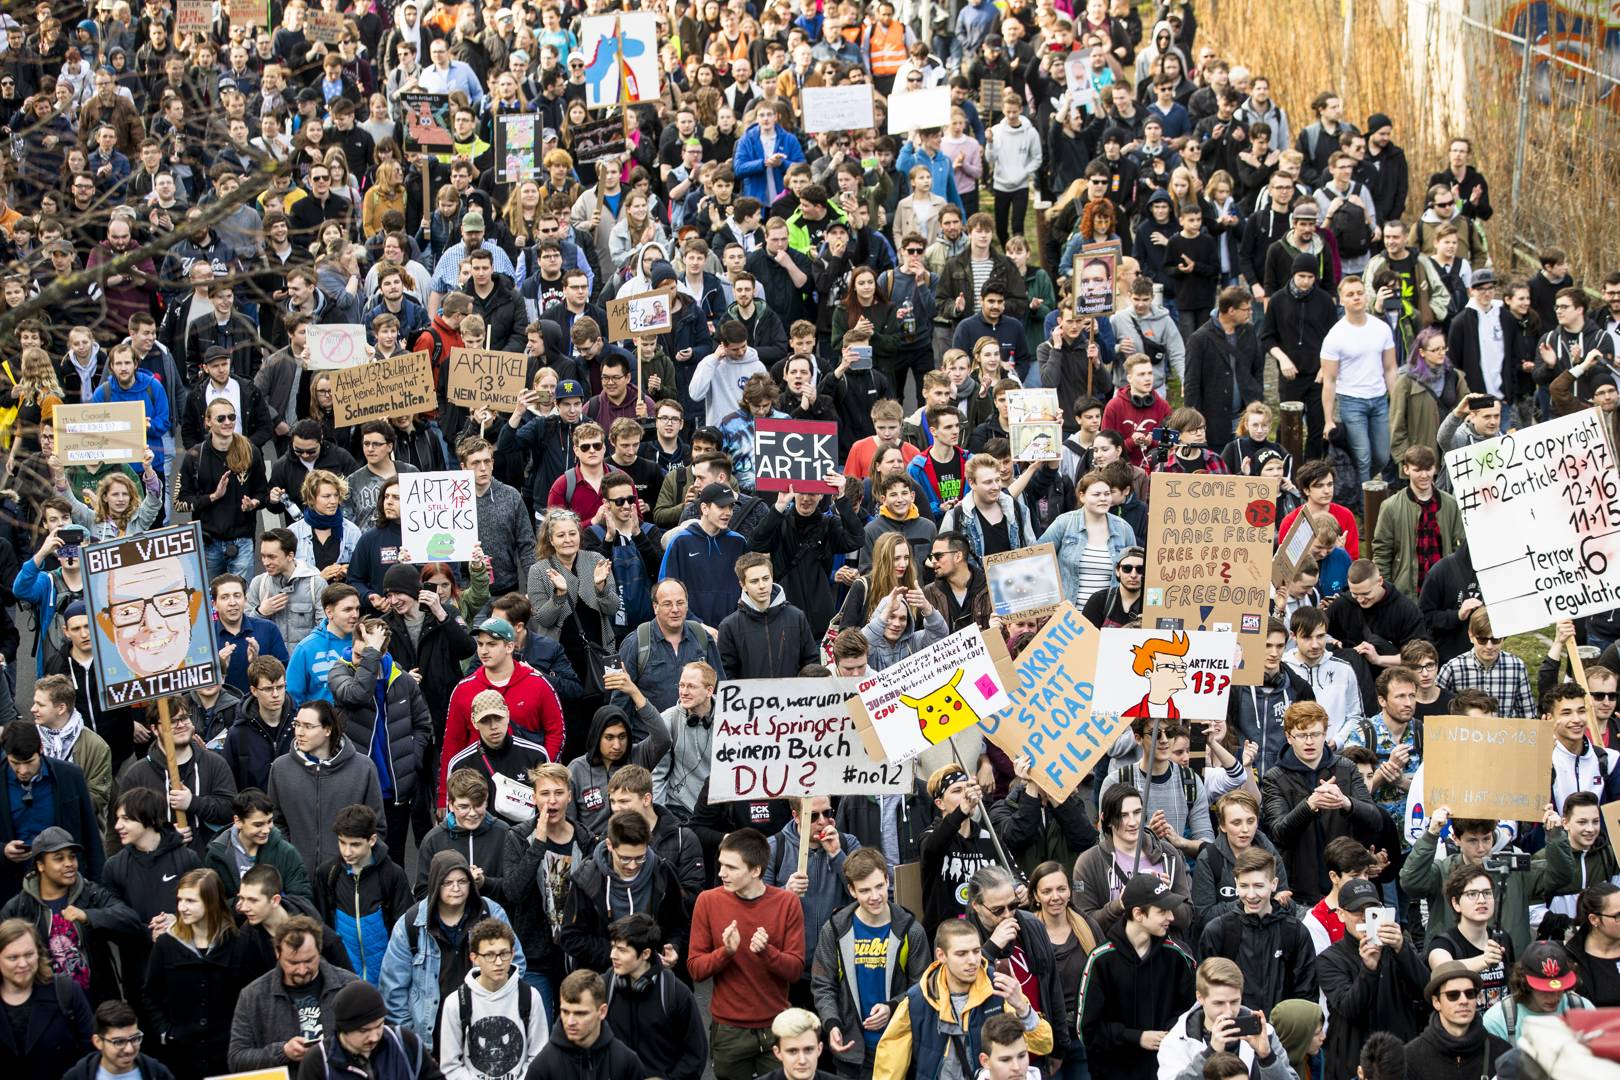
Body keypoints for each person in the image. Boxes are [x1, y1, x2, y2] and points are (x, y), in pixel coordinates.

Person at [871, 918, 1053, 1080]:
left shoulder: (998, 989)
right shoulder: (917, 1000)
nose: (972, 960)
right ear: (941, 955)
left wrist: (1022, 1007)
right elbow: (888, 1068)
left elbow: (1044, 1045)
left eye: (976, 951)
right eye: (962, 953)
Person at [689, 828, 805, 1080]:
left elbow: (795, 970)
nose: (721, 873)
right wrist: (726, 952)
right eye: (721, 865)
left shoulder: (787, 903)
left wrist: (766, 952)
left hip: (776, 1026)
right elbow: (696, 969)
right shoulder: (707, 901)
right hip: (729, 1031)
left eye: (731, 867)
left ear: (755, 870)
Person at [380, 850, 524, 1053]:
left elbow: (517, 964)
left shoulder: (491, 913)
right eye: (447, 883)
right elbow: (393, 991)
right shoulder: (410, 925)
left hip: (483, 1030)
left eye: (462, 881)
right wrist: (412, 1043)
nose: (456, 888)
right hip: (431, 1037)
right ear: (434, 884)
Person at [811, 849, 929, 1078]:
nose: (874, 896)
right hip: (851, 1050)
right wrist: (831, 1023)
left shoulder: (911, 930)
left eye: (878, 886)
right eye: (864, 890)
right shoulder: (835, 929)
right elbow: (823, 984)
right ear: (852, 890)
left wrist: (891, 1007)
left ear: (887, 880)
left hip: (898, 1047)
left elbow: (923, 987)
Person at [1072, 873, 1196, 1080]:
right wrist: (1136, 1038)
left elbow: (1190, 1013)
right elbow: (1088, 1030)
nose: (1171, 917)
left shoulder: (1177, 956)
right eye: (1162, 911)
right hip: (1114, 1073)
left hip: (1166, 1071)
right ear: (1138, 914)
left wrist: (1169, 1035)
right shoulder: (1101, 960)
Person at [328, 618, 433, 858]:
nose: (360, 660)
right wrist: (370, 653)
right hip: (358, 789)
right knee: (357, 860)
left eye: (368, 653)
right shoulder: (339, 671)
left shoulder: (402, 679)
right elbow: (356, 695)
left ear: (384, 650)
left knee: (393, 861)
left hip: (395, 790)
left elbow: (422, 724)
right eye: (358, 654)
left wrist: (411, 759)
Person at [1259, 702, 1381, 907]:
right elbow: (1279, 832)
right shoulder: (1275, 777)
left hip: (1346, 885)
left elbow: (1375, 820)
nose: (1310, 742)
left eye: (1316, 734)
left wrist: (1346, 802)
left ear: (1325, 734)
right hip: (1300, 891)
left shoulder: (1346, 768)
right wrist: (1309, 805)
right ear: (1289, 737)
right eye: (1302, 735)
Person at [1315, 877, 1428, 1080]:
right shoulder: (1329, 959)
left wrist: (1402, 950)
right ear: (1341, 914)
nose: (1366, 919)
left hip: (1399, 1056)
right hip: (1353, 1060)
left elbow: (1425, 990)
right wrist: (1368, 968)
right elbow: (1350, 1008)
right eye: (1359, 912)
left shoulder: (1398, 946)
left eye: (1372, 911)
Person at [141, 869, 243, 1079]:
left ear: (211, 901)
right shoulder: (166, 944)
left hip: (226, 1053)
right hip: (181, 1055)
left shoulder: (237, 943)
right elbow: (150, 994)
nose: (182, 907)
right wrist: (165, 1032)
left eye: (191, 901)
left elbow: (250, 994)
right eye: (180, 900)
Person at [227, 916, 360, 1072]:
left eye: (309, 960)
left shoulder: (350, 986)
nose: (302, 970)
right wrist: (283, 1052)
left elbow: (377, 1040)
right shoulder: (253, 996)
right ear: (277, 953)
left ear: (320, 949)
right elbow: (236, 1060)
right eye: (293, 963)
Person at [268, 702, 386, 877]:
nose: (299, 732)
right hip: (296, 878)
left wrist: (358, 868)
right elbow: (275, 822)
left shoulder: (363, 768)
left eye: (308, 726)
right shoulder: (280, 768)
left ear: (328, 730)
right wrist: (289, 860)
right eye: (297, 724)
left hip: (347, 878)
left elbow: (377, 827)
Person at [1195, 848, 1317, 1013]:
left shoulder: (1294, 932)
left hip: (1280, 1033)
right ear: (1235, 883)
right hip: (1232, 1030)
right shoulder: (1218, 931)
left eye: (1259, 886)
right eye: (1244, 886)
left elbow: (1306, 994)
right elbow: (1206, 991)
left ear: (1273, 884)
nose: (1251, 895)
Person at [0, 722, 103, 905]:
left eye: (29, 762)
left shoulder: (69, 776)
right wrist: (3, 851)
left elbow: (90, 835)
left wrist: (98, 890)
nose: (22, 771)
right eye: (15, 763)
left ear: (40, 750)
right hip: (11, 891)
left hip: (68, 888)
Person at [1072, 783, 1195, 936]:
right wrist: (1120, 904)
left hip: (1162, 952)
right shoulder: (1088, 862)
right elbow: (1083, 924)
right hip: (1116, 953)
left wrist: (1165, 896)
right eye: (1123, 815)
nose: (1133, 822)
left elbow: (1187, 917)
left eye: (1137, 812)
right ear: (1106, 819)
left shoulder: (1168, 854)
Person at [313, 804, 414, 985]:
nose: (347, 851)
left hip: (387, 977)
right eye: (342, 842)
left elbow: (404, 928)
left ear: (372, 840)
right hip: (343, 977)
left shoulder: (392, 875)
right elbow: (321, 923)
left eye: (355, 844)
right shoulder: (328, 873)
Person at [437, 917, 548, 1080]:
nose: (498, 962)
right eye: (489, 955)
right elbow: (450, 1066)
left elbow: (539, 1059)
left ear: (512, 954)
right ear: (474, 958)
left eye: (504, 954)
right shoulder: (456, 1003)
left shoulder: (530, 997)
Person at [1155, 958, 1295, 1080]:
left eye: (1234, 1001)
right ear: (1200, 998)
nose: (1228, 1012)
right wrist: (1209, 1054)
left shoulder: (1265, 1033)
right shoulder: (1178, 1040)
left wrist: (1267, 1058)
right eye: (1219, 1003)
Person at [604, 913, 707, 1080]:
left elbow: (695, 1054)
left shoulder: (676, 994)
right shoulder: (605, 986)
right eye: (613, 947)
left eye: (621, 950)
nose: (612, 955)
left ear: (645, 954)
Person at [0, 917, 93, 1076]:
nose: (23, 964)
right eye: (13, 958)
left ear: (39, 953)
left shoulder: (66, 992)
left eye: (29, 954)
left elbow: (92, 1054)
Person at [416, 771, 525, 902]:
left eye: (478, 805)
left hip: (495, 918)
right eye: (464, 807)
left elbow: (517, 887)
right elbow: (422, 892)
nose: (472, 813)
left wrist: (485, 883)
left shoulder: (504, 833)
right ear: (450, 805)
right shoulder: (433, 840)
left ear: (486, 801)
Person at [302, 979, 443, 1080]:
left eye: (379, 1025)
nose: (374, 1037)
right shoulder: (318, 1061)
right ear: (343, 1029)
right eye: (364, 1031)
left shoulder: (404, 1041)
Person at [523, 969, 647, 1080]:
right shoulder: (543, 1067)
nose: (570, 1021)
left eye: (580, 1013)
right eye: (565, 1012)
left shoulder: (626, 1062)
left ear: (602, 1011)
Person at [206, 789, 314, 906]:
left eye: (269, 821)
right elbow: (214, 905)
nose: (266, 830)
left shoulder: (286, 852)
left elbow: (302, 900)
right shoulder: (216, 855)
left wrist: (270, 909)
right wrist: (242, 905)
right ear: (238, 821)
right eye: (258, 825)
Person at [1403, 961, 1494, 1080]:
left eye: (1470, 993)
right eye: (1453, 995)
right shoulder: (1410, 1057)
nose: (1463, 1000)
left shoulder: (1500, 1052)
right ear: (1436, 1002)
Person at [63, 999, 177, 1080]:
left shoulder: (157, 1073)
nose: (129, 1049)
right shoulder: (77, 1076)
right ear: (98, 1042)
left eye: (135, 1038)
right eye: (119, 1042)